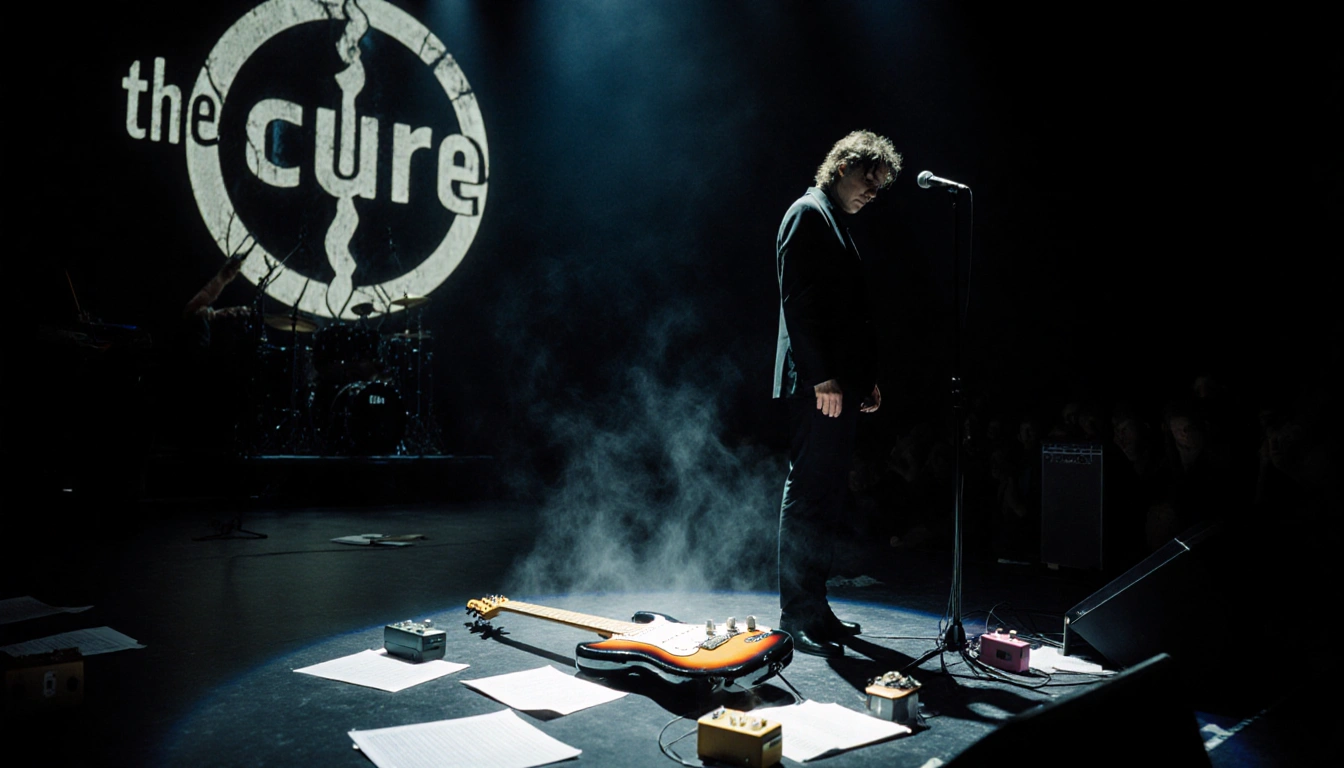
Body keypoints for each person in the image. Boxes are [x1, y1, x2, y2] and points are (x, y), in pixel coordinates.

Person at [773, 130, 901, 656]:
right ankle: (796, 613)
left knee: (826, 498)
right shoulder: (807, 212)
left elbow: (847, 315)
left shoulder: (835, 222)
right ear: (844, 164)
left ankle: (816, 608)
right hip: (817, 385)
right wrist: (822, 374)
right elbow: (798, 302)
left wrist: (862, 378)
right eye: (869, 178)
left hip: (837, 384)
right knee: (807, 497)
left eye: (880, 185)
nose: (873, 191)